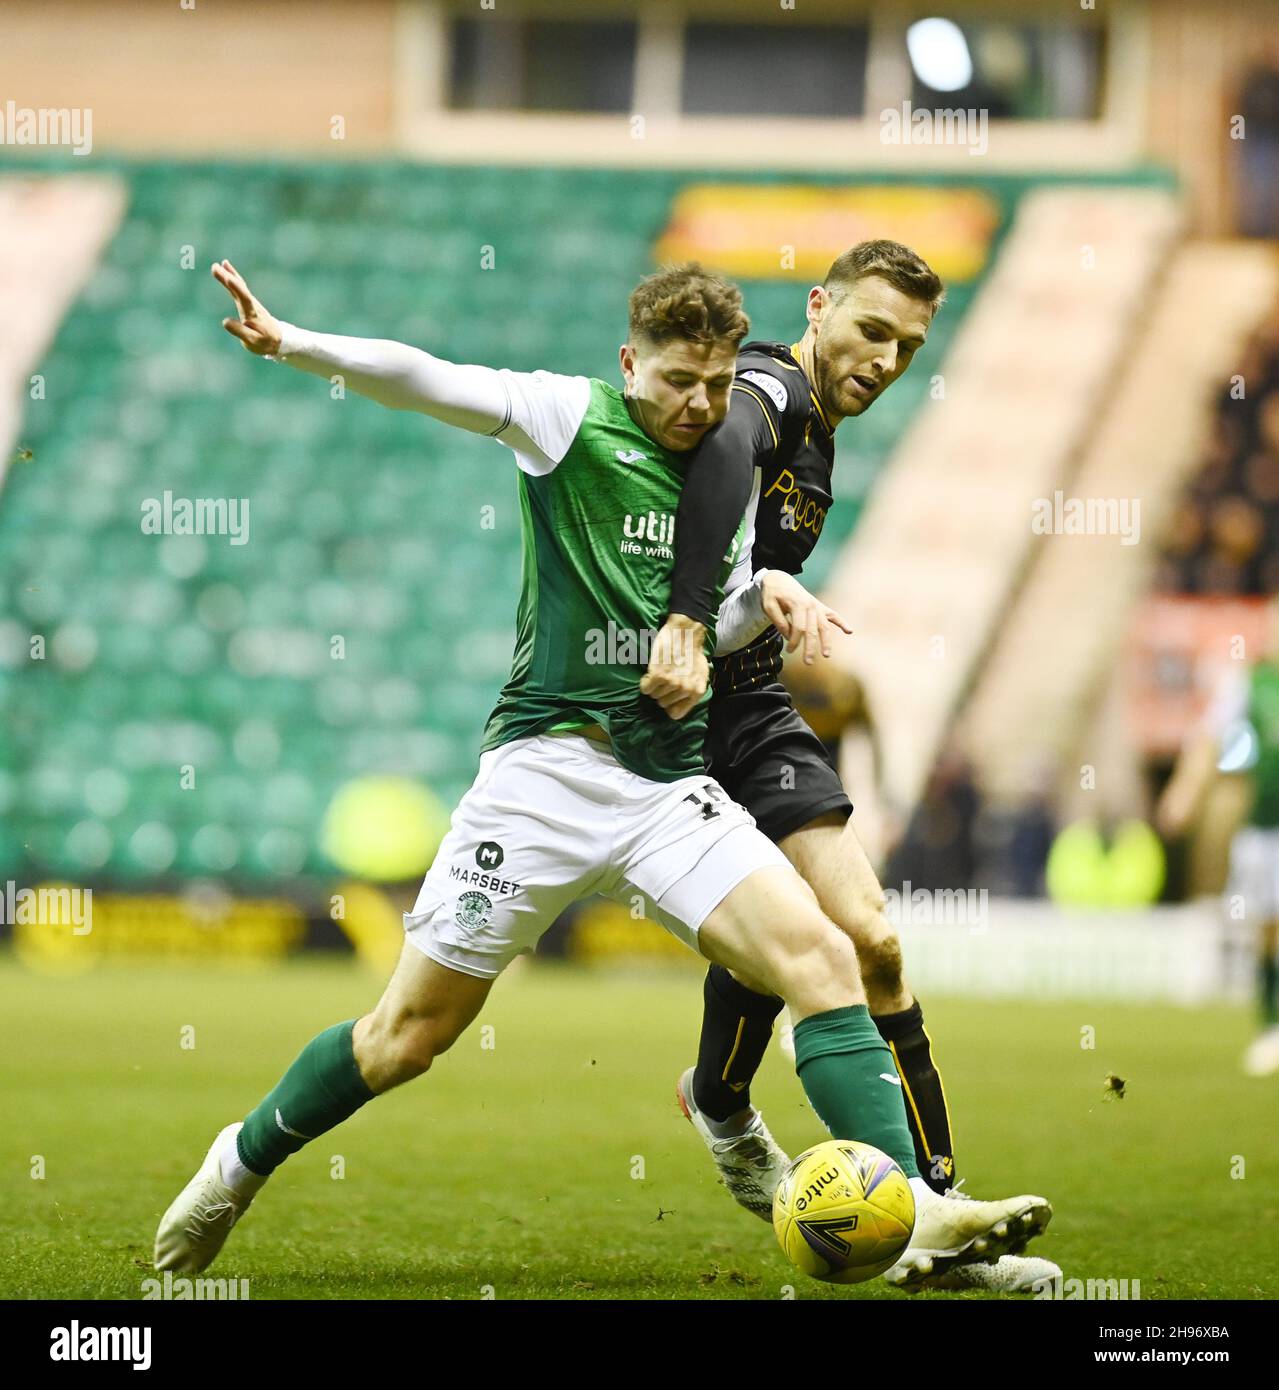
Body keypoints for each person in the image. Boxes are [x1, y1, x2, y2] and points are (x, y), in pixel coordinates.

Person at [154, 259, 1049, 1287]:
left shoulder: (729, 472)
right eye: (676, 382)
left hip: (666, 792)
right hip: (543, 781)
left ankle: (915, 1210)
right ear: (630, 364)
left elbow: (705, 621)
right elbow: (428, 376)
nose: (699, 407)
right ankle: (238, 1161)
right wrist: (300, 343)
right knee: (404, 1039)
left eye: (714, 387)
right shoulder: (564, 418)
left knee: (823, 956)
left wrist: (767, 601)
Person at [642, 240, 1057, 1291]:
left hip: (749, 699)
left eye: (910, 346)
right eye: (871, 329)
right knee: (791, 937)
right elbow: (732, 438)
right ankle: (727, 1103)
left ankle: (937, 1217)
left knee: (867, 936)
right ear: (818, 308)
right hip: (670, 697)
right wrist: (692, 616)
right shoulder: (772, 392)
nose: (886, 357)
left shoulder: (820, 437)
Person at [1158, 596, 1279, 1076]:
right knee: (1269, 927)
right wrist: (1185, 792)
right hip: (1266, 825)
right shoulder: (1251, 683)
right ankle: (1270, 1026)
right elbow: (1210, 738)